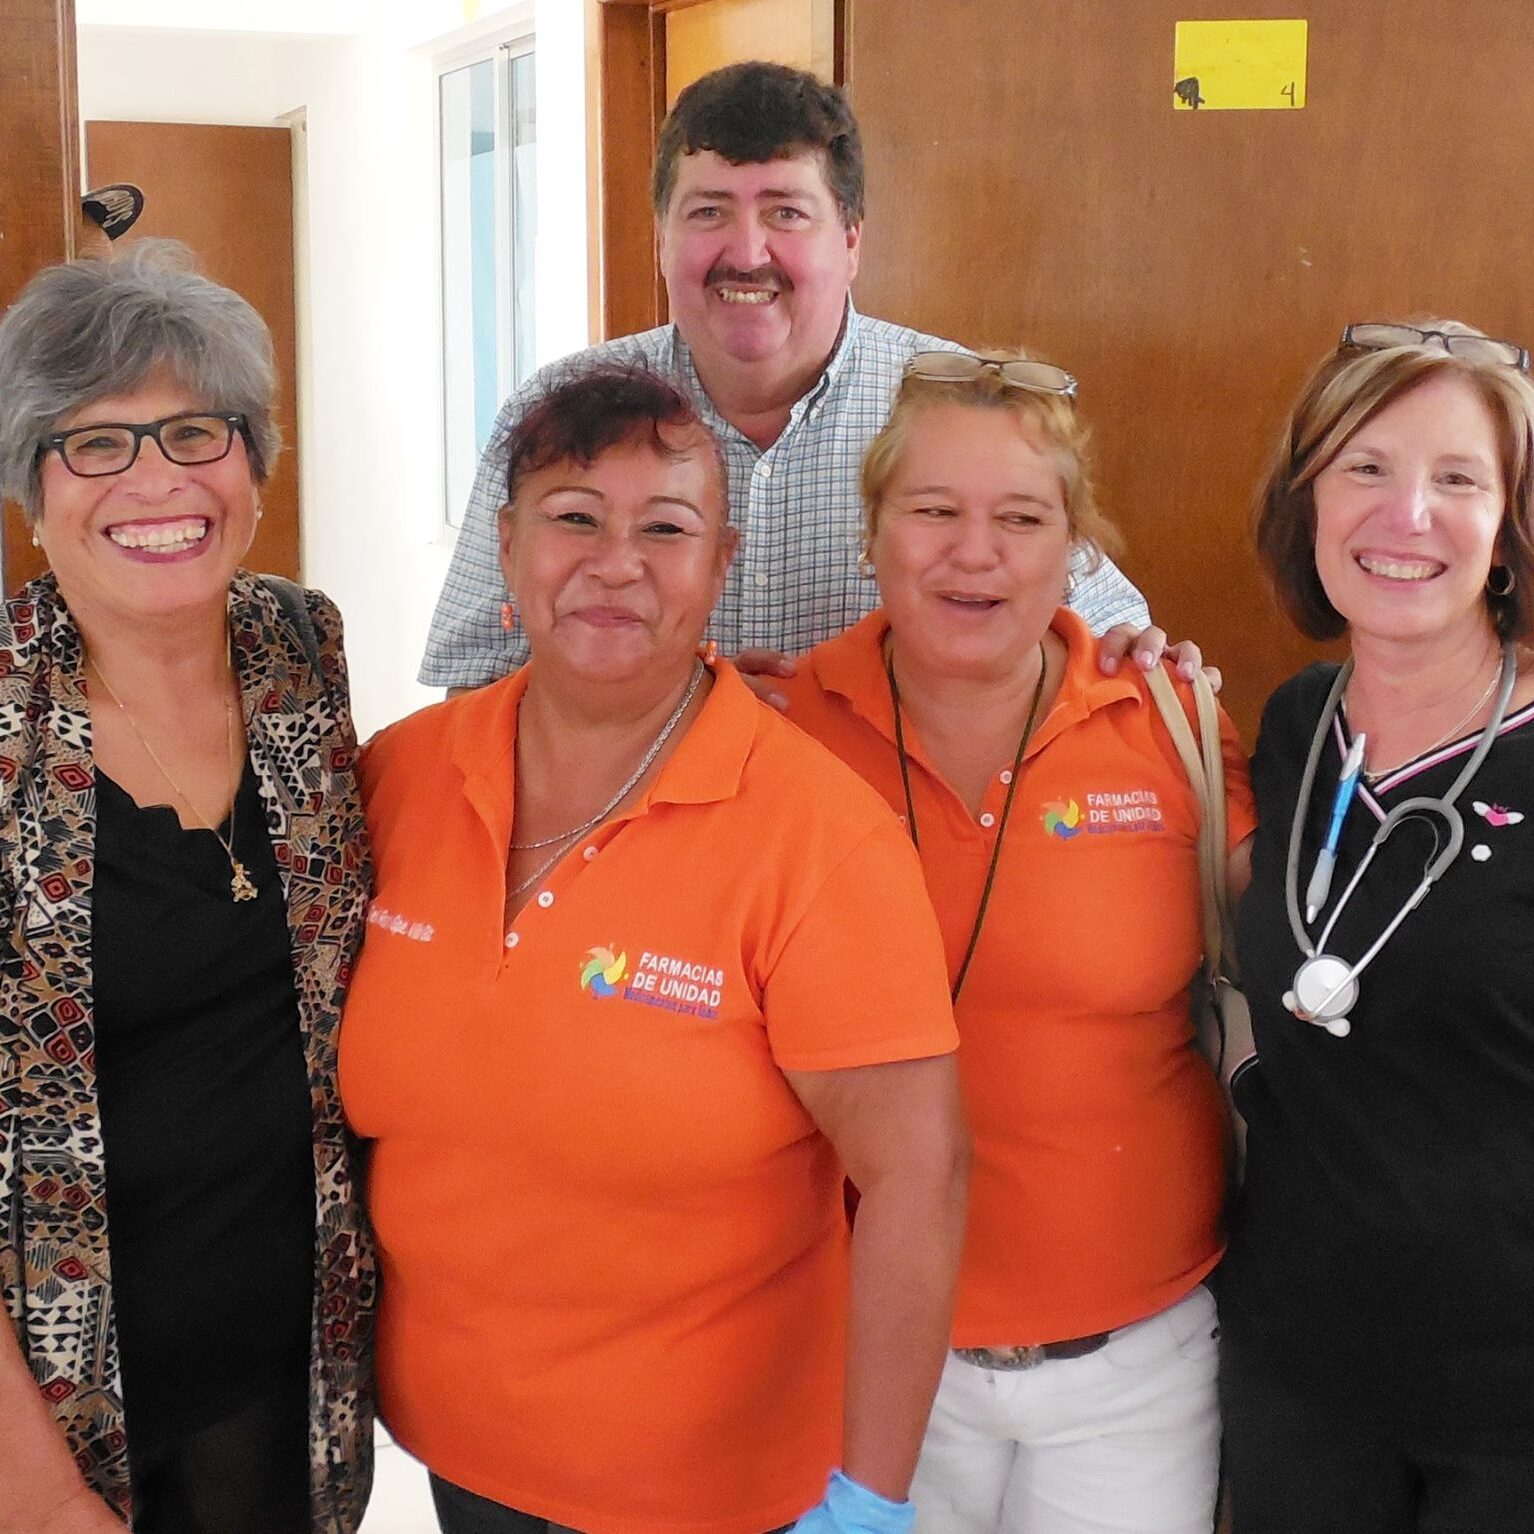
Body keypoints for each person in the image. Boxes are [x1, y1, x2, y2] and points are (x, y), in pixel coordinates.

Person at [340, 366, 967, 1534]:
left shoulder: (815, 833)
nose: (614, 562)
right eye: (574, 516)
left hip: (712, 1494)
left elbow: (917, 1178)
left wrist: (869, 1499)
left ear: (721, 562)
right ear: (509, 546)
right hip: (456, 1458)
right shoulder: (399, 773)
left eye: (664, 528)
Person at [777, 349, 1255, 1534]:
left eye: (1020, 517)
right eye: (932, 510)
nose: (972, 551)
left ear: (1076, 551)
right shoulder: (772, 737)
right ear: (872, 530)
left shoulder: (1173, 725)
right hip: (855, 1364)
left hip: (1138, 1369)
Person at [0, 244, 373, 1534]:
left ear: (255, 468)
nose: (157, 478)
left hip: (290, 1364)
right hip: (52, 1403)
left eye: (196, 431)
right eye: (95, 443)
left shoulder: (298, 648)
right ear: (32, 492)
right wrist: (39, 1497)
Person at [420, 60, 1179, 693]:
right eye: (709, 212)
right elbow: (473, 681)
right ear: (661, 240)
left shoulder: (955, 408)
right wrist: (673, 702)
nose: (746, 253)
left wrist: (1151, 657)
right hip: (635, 842)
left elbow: (1103, 635)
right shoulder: (558, 410)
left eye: (785, 213)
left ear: (850, 241)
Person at [1220, 320, 1534, 1532]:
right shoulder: (1294, 727)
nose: (1405, 514)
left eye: (1456, 479)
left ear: (1506, 531)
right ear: (1305, 505)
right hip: (1302, 1374)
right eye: (1363, 468)